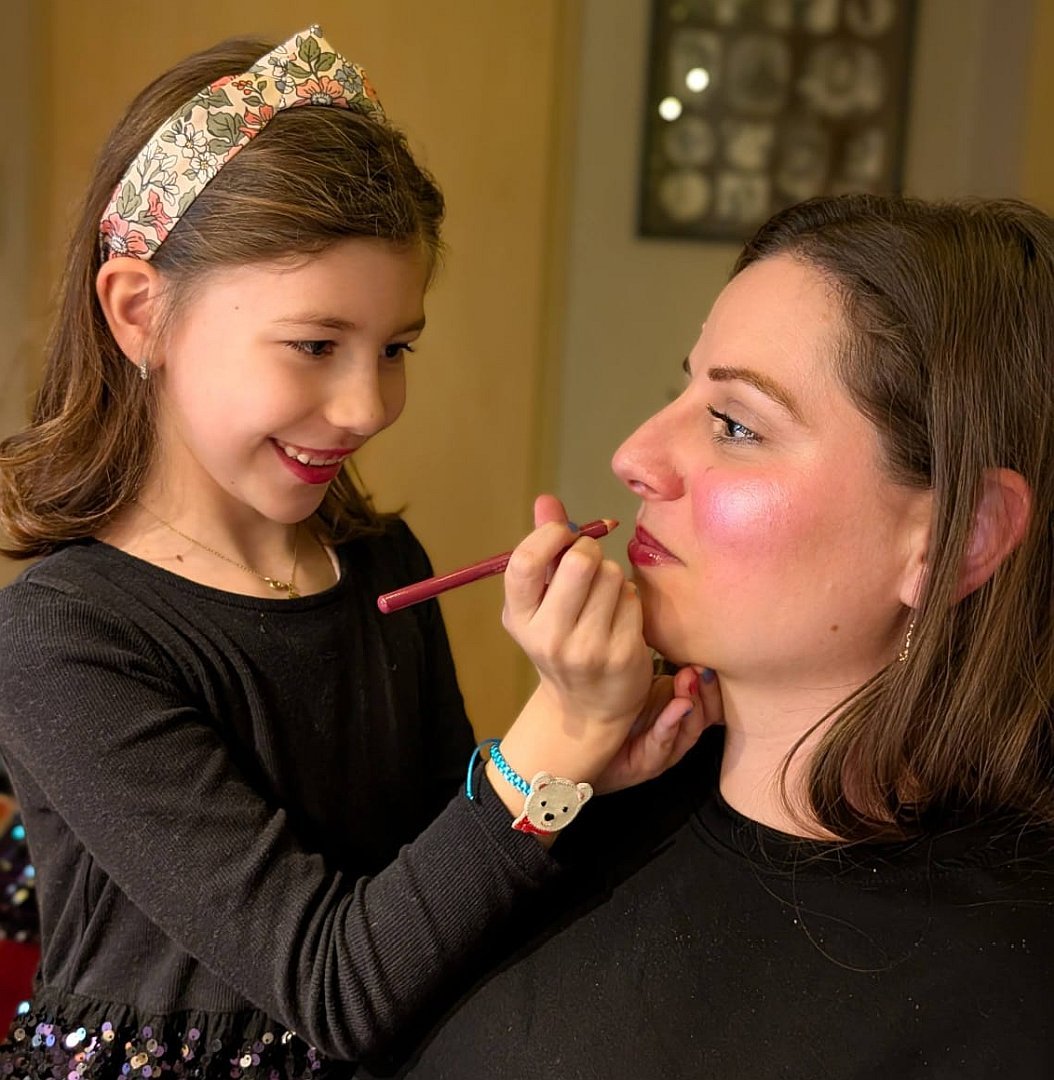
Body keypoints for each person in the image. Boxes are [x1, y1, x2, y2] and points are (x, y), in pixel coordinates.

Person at [0, 27, 706, 1080]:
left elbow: (438, 888)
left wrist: (591, 775)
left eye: (396, 348)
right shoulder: (62, 638)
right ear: (141, 313)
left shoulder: (379, 561)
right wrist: (558, 733)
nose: (368, 405)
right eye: (316, 345)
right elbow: (338, 987)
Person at [390, 194, 1054, 1079]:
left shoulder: (1003, 1003)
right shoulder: (600, 785)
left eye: (737, 425)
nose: (633, 456)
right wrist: (555, 752)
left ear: (960, 539)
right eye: (683, 391)